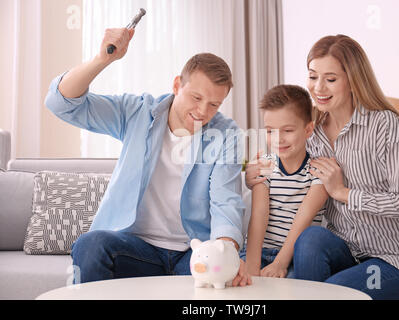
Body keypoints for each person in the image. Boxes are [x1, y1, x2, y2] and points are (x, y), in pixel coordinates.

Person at [45, 27, 251, 286]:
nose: (202, 111)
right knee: (92, 245)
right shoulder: (137, 112)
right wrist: (103, 59)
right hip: (134, 247)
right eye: (196, 98)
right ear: (177, 85)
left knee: (224, 277)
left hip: (193, 252)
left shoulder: (225, 133)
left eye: (214, 104)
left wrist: (227, 251)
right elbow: (60, 103)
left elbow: (226, 201)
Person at [245, 34, 399, 299]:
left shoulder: (386, 126)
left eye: (330, 79)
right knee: (311, 239)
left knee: (330, 295)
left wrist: (343, 193)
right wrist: (254, 174)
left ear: (353, 80)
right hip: (343, 249)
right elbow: (286, 168)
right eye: (313, 76)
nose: (318, 88)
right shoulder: (312, 132)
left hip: (390, 259)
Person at [241, 85, 329, 279]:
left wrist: (280, 264)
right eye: (270, 131)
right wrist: (252, 267)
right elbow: (259, 215)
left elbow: (303, 219)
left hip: (293, 257)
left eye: (288, 130)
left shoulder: (319, 171)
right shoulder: (264, 164)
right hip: (258, 252)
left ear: (308, 130)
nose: (278, 139)